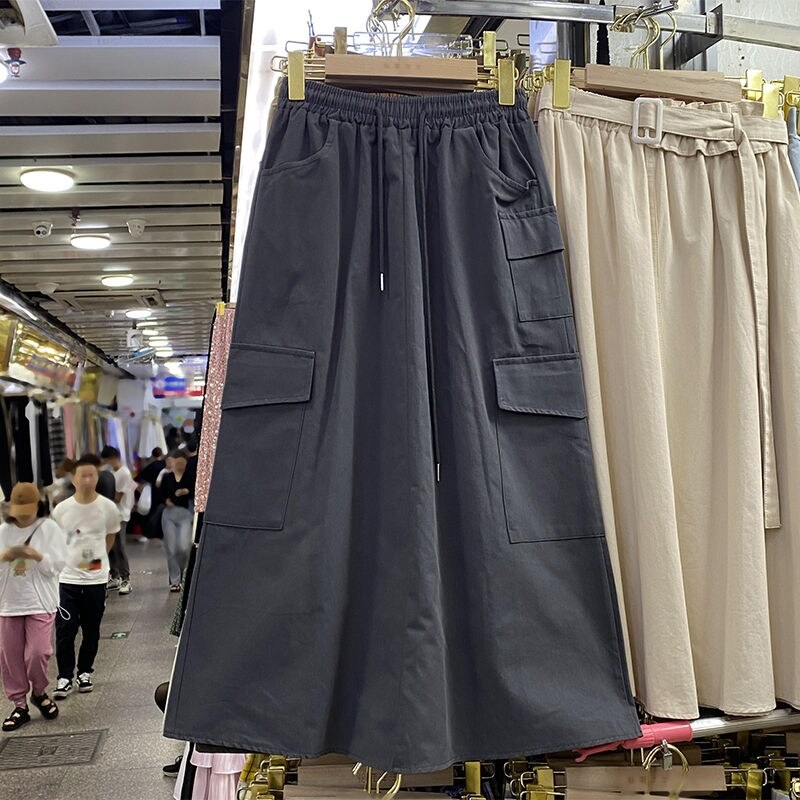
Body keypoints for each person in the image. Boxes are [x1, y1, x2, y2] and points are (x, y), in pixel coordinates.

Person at [52, 455, 120, 698]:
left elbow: (111, 536)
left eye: (92, 475)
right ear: (74, 478)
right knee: (65, 630)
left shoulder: (108, 508)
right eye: (83, 475)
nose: (88, 480)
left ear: (97, 477)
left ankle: (84, 672)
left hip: (95, 580)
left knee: (92, 629)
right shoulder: (62, 509)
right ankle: (64, 676)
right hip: (67, 579)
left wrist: (97, 562)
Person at [0, 483, 67, 731]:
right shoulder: (3, 531)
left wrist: (36, 556)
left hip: (40, 601)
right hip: (8, 603)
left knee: (38, 652)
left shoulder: (49, 529)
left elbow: (57, 566)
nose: (23, 516)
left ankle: (39, 692)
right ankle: (19, 704)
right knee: (10, 657)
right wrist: (5, 556)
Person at [100, 446, 134, 595]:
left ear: (113, 458)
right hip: (110, 514)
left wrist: (102, 497)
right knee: (111, 547)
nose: (105, 463)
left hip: (120, 514)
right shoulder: (111, 473)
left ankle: (126, 579)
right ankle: (115, 576)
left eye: (107, 460)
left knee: (119, 547)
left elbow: (119, 497)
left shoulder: (124, 473)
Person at [160, 450, 195, 592]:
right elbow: (160, 494)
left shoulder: (190, 477)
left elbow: (196, 493)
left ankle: (183, 573)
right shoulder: (167, 477)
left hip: (185, 514)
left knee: (183, 547)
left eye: (182, 462)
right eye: (177, 462)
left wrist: (188, 492)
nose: (179, 465)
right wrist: (166, 500)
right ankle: (175, 580)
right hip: (169, 514)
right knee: (171, 547)